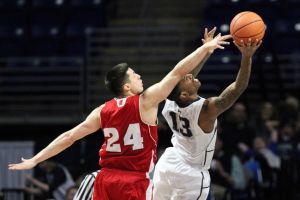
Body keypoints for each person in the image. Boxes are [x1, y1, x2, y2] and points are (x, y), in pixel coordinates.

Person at [8, 29, 231, 200]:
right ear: (126, 87)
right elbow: (177, 72)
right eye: (134, 75)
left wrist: (36, 160)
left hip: (104, 178)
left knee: (89, 180)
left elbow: (69, 137)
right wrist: (206, 49)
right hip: (135, 183)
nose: (140, 76)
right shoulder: (146, 101)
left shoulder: (101, 111)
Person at [152, 27, 262, 200]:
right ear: (184, 95)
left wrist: (207, 50)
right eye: (186, 80)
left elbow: (188, 74)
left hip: (168, 163)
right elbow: (238, 87)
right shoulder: (206, 109)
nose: (189, 76)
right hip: (191, 174)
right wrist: (247, 57)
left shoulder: (169, 99)